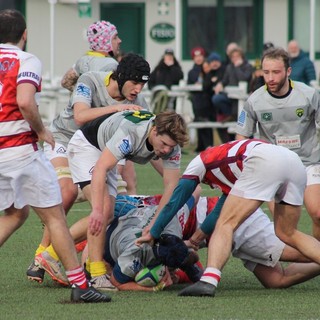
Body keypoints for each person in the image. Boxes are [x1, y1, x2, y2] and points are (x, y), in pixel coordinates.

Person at [0, 9, 110, 303]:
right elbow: (24, 100)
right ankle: (80, 286)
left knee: (15, 213)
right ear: (24, 35)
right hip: (19, 149)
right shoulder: (26, 60)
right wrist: (40, 130)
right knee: (55, 218)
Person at [136, 139, 320, 297]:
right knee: (287, 233)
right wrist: (196, 238)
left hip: (265, 161)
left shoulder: (199, 162)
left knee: (225, 224)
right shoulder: (227, 169)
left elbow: (176, 200)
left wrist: (153, 231)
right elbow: (220, 207)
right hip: (292, 161)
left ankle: (208, 281)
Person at [26, 53, 150, 285]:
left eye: (142, 84)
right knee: (68, 192)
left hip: (97, 151)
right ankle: (43, 256)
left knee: (113, 209)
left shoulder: (137, 102)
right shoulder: (90, 80)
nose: (138, 89)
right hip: (63, 141)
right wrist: (117, 110)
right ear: (120, 76)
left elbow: (149, 132)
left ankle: (71, 261)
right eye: (135, 82)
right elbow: (81, 116)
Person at [63, 109, 188, 290]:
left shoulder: (171, 146)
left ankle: (68, 259)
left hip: (107, 150)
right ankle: (97, 275)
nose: (167, 150)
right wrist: (97, 210)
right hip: (87, 146)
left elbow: (171, 187)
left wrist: (155, 224)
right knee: (104, 210)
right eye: (164, 144)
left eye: (171, 146)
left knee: (109, 213)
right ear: (154, 131)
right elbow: (100, 169)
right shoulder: (131, 133)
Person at [235, 47, 320, 241]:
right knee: (283, 228)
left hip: (308, 162)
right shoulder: (254, 101)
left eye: (276, 72)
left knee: (318, 213)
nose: (270, 78)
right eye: (266, 72)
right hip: (276, 168)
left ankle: (316, 261)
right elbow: (241, 138)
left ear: (288, 72)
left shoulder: (309, 95)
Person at [61, 20, 121, 92]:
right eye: (115, 37)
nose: (119, 41)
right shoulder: (111, 64)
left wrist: (83, 95)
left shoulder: (83, 60)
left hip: (82, 103)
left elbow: (65, 82)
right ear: (105, 42)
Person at [212, 47, 253, 142]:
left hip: (243, 98)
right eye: (233, 57)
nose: (235, 58)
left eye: (237, 56)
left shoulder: (248, 66)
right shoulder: (229, 67)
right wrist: (220, 84)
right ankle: (230, 116)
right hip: (230, 96)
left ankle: (246, 140)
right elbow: (225, 80)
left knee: (244, 122)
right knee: (216, 98)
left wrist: (238, 67)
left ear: (242, 56)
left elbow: (244, 78)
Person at [187, 47, 214, 152]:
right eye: (196, 56)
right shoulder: (192, 72)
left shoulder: (207, 68)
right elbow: (190, 86)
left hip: (207, 101)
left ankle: (209, 145)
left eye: (200, 56)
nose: (198, 58)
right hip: (197, 100)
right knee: (198, 120)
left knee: (208, 123)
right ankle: (201, 145)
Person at [202, 52, 227, 144]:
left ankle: (229, 145)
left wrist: (216, 82)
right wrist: (212, 82)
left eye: (216, 61)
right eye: (212, 61)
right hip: (211, 108)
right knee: (217, 128)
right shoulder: (209, 74)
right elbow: (205, 87)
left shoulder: (224, 71)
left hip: (222, 107)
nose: (214, 63)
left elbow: (223, 82)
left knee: (225, 127)